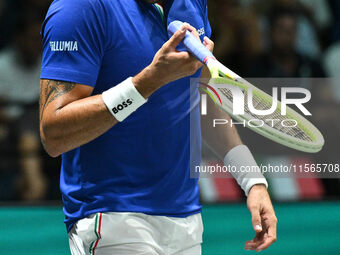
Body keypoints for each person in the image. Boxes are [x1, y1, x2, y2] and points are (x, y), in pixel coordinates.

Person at [39, 0, 277, 254]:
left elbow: (199, 100)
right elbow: (53, 134)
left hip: (186, 221)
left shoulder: (193, 4)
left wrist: (252, 181)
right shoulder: (79, 8)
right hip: (111, 217)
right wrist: (147, 83)